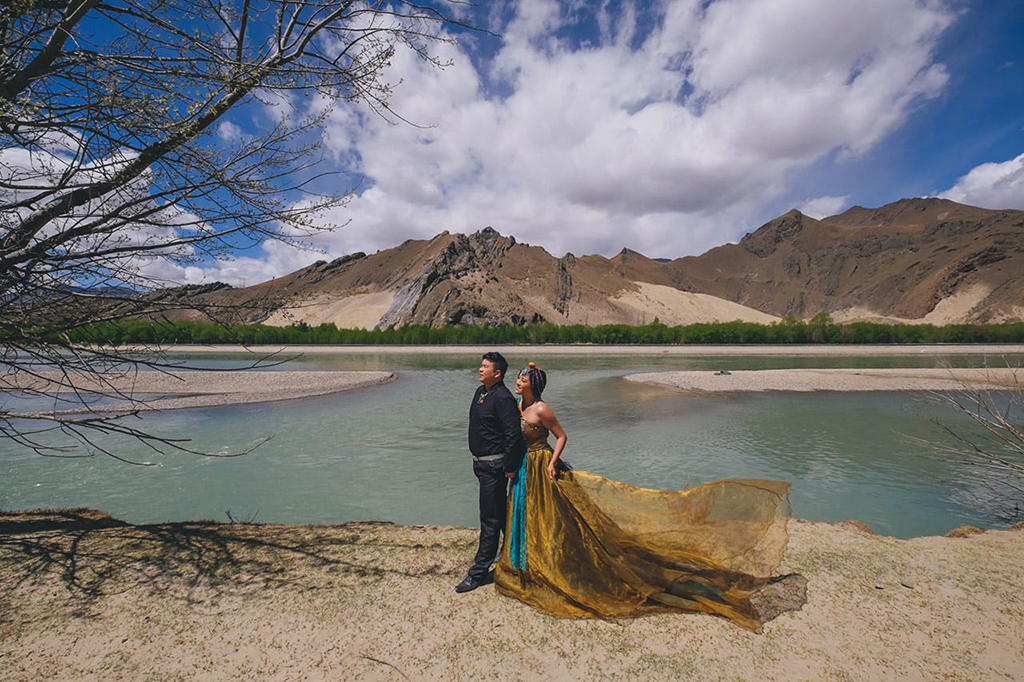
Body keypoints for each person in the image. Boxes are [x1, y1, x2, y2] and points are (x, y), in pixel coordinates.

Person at [494, 362, 792, 631]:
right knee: (524, 514)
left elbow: (562, 436)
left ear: (532, 382)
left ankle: (550, 563)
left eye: (521, 379)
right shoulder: (518, 404)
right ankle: (525, 563)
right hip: (522, 469)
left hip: (541, 468)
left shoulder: (543, 410)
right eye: (518, 379)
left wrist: (550, 462)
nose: (517, 382)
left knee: (553, 520)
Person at [456, 351, 526, 594]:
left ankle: (478, 573)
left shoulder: (503, 398)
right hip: (481, 464)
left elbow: (512, 435)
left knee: (489, 519)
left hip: (495, 467)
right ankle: (516, 555)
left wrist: (509, 467)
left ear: (497, 373)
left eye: (485, 366)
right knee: (502, 515)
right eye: (481, 364)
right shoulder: (481, 392)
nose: (480, 368)